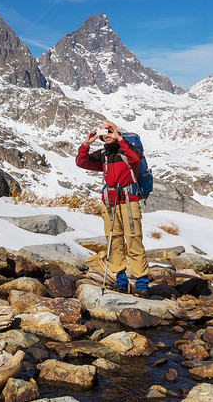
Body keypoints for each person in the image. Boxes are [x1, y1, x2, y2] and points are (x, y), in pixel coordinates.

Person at [76, 121, 149, 297]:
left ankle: (142, 285)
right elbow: (81, 162)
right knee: (114, 241)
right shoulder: (104, 154)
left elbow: (135, 160)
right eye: (104, 132)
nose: (107, 135)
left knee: (133, 240)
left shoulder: (128, 149)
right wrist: (87, 143)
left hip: (129, 201)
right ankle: (121, 281)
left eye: (110, 131)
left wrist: (120, 138)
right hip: (110, 203)